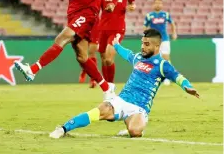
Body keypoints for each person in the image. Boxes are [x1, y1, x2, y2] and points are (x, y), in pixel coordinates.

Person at [49, 29, 199, 139]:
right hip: (121, 100)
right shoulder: (139, 57)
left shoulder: (162, 65)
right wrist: (116, 46)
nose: (143, 47)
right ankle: (63, 128)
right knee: (100, 110)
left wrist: (186, 86)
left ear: (157, 47)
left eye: (147, 44)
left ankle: (130, 125)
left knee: (135, 132)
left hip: (140, 108)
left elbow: (177, 76)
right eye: (142, 43)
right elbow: (127, 54)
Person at [79, 0, 136, 88]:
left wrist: (131, 6)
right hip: (102, 28)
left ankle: (110, 85)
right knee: (104, 60)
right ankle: (107, 88)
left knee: (109, 58)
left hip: (117, 28)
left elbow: (132, 2)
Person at [144, 0, 177, 85]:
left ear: (162, 5)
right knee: (153, 59)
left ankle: (167, 77)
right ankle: (154, 77)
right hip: (153, 40)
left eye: (159, 3)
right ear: (153, 5)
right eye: (156, 3)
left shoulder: (165, 14)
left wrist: (174, 33)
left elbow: (172, 23)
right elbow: (145, 26)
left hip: (164, 39)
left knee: (165, 58)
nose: (158, 5)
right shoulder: (149, 15)